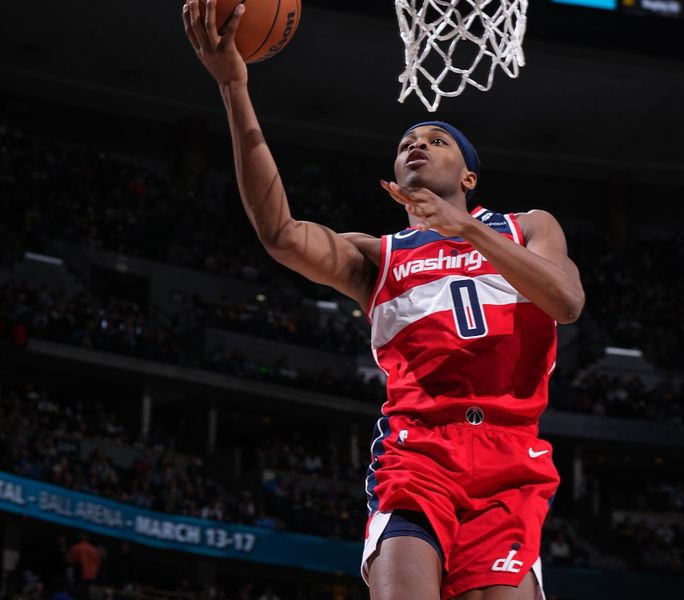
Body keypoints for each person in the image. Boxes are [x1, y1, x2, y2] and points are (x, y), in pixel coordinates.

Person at [182, 2, 585, 599]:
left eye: (436, 139)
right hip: (418, 451)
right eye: (407, 142)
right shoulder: (380, 255)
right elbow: (281, 235)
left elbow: (566, 303)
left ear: (469, 177)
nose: (417, 144)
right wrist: (234, 87)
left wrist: (466, 229)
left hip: (510, 460)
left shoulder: (527, 227)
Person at [67, 532, 101, 600]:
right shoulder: (94, 549)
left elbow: (70, 561)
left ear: (79, 539)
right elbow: (98, 563)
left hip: (79, 576)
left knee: (78, 594)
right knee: (88, 594)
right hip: (91, 576)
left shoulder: (76, 548)